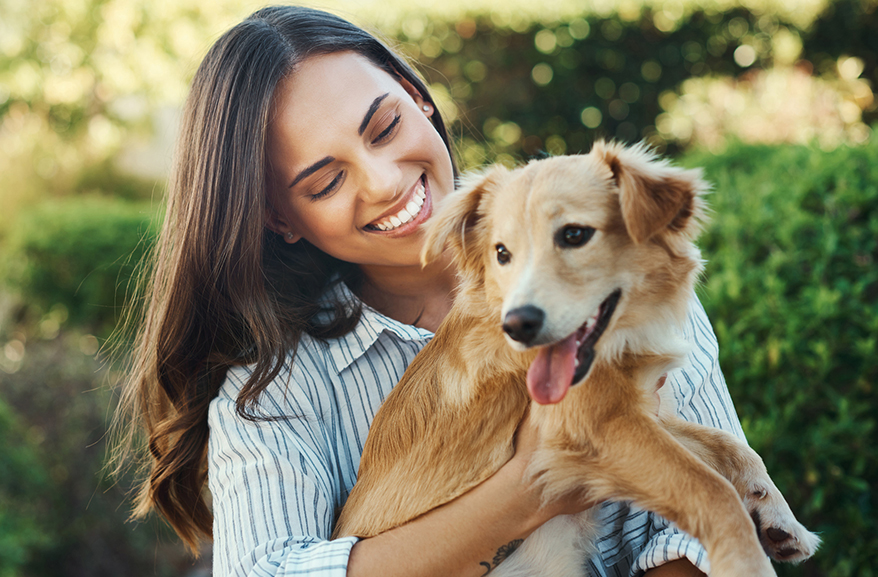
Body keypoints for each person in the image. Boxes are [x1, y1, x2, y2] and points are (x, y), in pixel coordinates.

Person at [114, 5, 748, 576]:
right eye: (325, 182)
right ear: (279, 219)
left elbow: (688, 540)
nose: (386, 182)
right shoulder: (274, 388)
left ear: (418, 99)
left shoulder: (614, 276)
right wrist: (526, 489)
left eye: (384, 127)